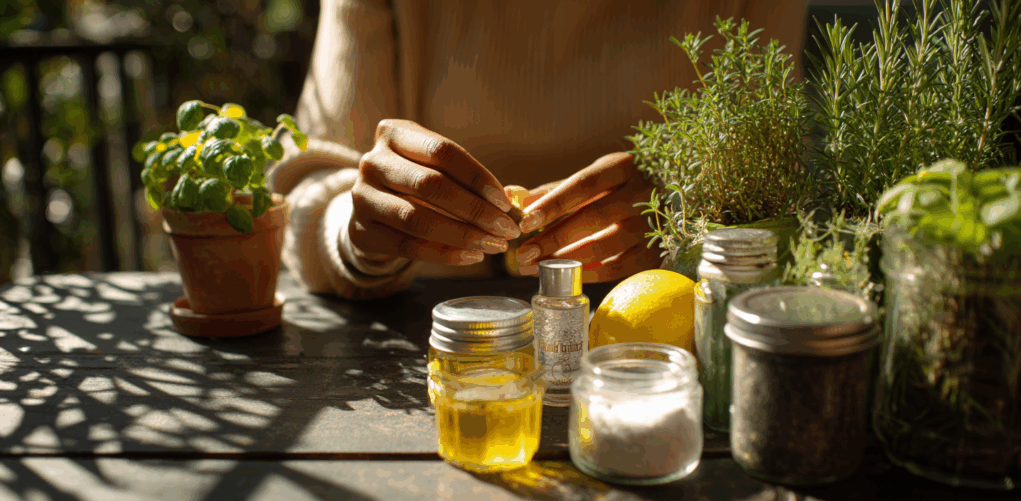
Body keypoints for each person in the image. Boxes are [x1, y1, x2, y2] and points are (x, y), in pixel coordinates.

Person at [268, 0, 806, 299]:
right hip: (439, 338)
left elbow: (781, 199)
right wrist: (361, 230)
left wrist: (687, 222)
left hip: (655, 348)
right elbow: (314, 179)